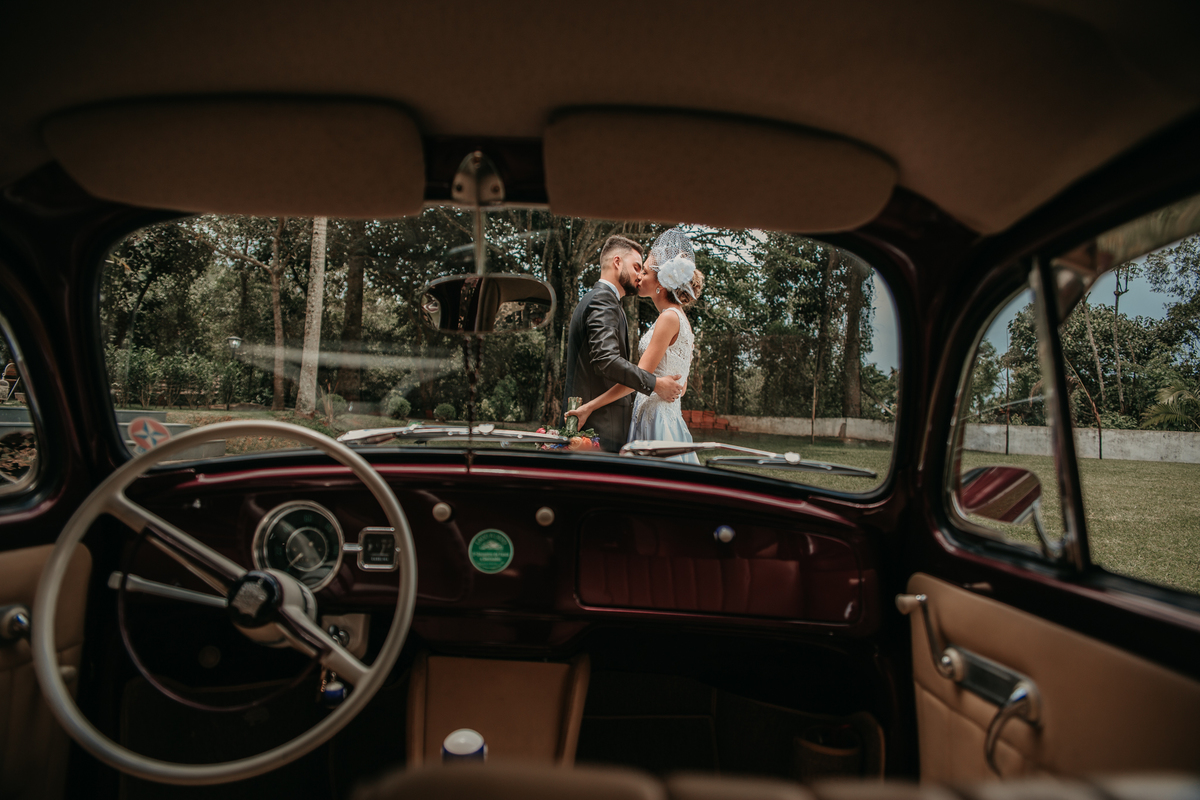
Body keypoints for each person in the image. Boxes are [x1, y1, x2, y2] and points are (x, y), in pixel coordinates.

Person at [567, 228, 704, 463]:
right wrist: (659, 383)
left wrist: (589, 406)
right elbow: (667, 377)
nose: (639, 277)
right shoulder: (676, 317)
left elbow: (641, 376)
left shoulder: (668, 318)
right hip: (656, 412)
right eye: (638, 268)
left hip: (655, 418)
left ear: (661, 282)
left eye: (645, 271)